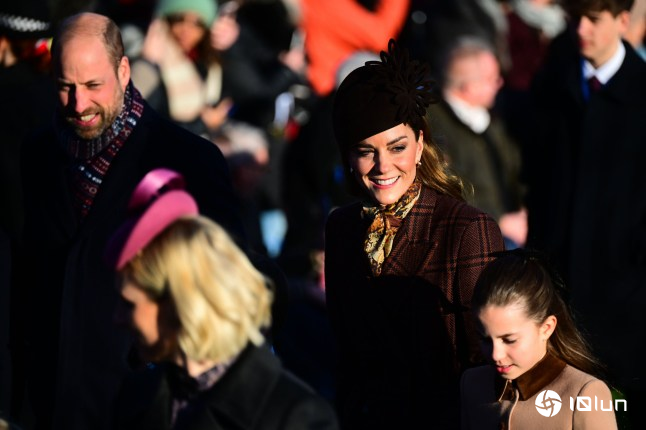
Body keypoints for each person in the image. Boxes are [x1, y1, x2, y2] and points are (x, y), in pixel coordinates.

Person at [11, 12, 244, 430]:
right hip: (48, 403)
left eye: (93, 85)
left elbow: (236, 279)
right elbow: (25, 273)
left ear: (123, 70)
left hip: (142, 407)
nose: (78, 104)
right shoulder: (37, 153)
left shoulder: (188, 159)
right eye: (65, 86)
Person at [326, 39, 505, 429]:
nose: (382, 165)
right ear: (348, 158)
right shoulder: (341, 227)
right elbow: (345, 355)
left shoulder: (466, 229)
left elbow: (486, 364)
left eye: (397, 147)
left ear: (420, 145)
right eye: (365, 151)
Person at [107, 168, 339, 430]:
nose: (118, 318)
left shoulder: (294, 416)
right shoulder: (138, 396)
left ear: (179, 303)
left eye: (129, 304)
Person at [525, 1, 646, 426]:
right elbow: (536, 178)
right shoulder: (553, 83)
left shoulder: (641, 94)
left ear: (623, 21)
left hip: (626, 302)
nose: (581, 29)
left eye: (594, 19)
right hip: (557, 289)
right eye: (576, 18)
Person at [461, 249, 618, 429]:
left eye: (509, 340)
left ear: (546, 328)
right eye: (485, 339)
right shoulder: (472, 384)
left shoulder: (585, 393)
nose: (496, 354)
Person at [427, 36, 527, 248]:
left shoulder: (490, 121)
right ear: (469, 87)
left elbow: (516, 170)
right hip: (469, 238)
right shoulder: (434, 125)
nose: (500, 83)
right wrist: (500, 220)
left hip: (511, 228)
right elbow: (447, 188)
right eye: (492, 78)